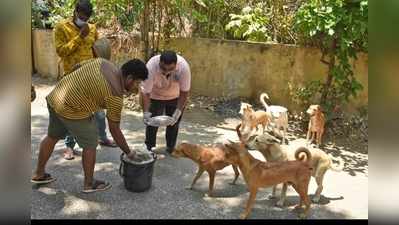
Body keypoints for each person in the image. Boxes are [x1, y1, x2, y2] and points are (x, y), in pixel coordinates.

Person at [31, 58, 148, 193]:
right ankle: (89, 183)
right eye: (137, 83)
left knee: (52, 136)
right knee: (91, 142)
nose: (137, 88)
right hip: (72, 107)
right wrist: (129, 153)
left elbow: (77, 66)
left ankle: (39, 174)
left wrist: (81, 87)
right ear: (129, 78)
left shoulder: (104, 63)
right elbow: (114, 129)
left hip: (57, 95)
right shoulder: (115, 95)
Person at [54, 0, 116, 161]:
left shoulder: (93, 28)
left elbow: (96, 50)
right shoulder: (62, 27)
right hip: (72, 78)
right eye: (82, 16)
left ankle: (103, 137)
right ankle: (69, 146)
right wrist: (79, 37)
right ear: (75, 11)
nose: (84, 20)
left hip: (91, 76)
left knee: (99, 113)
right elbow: (61, 52)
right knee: (73, 113)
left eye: (87, 18)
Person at [141, 50, 191, 156]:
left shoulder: (183, 67)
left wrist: (178, 111)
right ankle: (149, 148)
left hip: (175, 96)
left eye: (170, 69)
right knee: (151, 123)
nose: (166, 72)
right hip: (155, 96)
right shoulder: (151, 66)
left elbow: (184, 92)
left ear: (176, 65)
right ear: (160, 62)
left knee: (174, 123)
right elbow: (145, 92)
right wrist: (145, 111)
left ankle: (171, 148)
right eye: (163, 68)